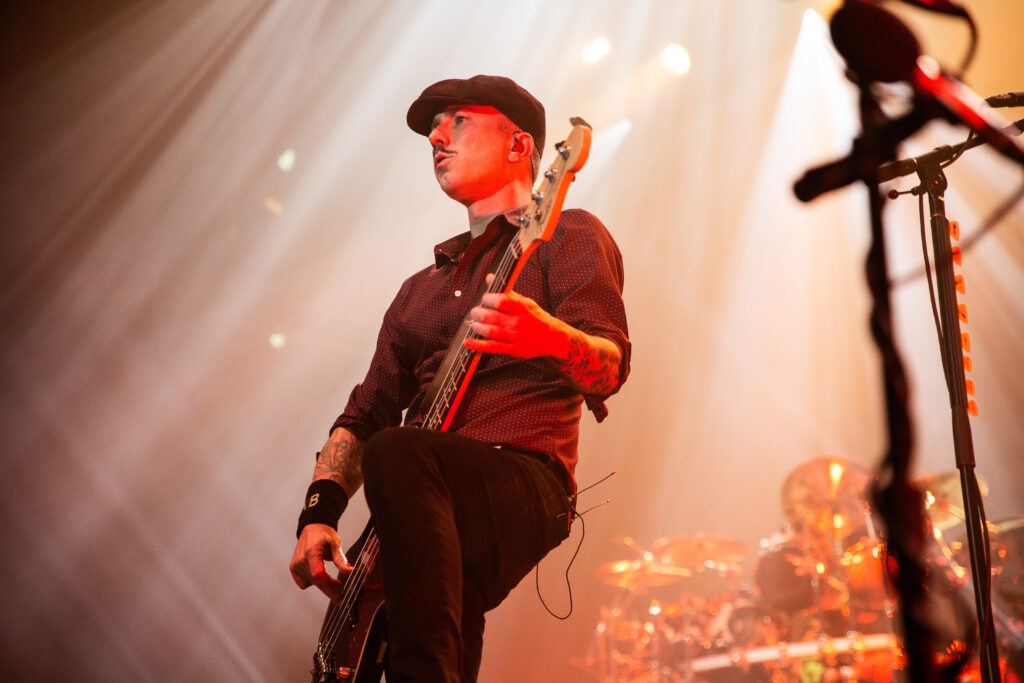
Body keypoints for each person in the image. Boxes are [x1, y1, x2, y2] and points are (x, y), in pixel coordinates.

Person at [289, 74, 630, 682]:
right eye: (432, 128)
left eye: (458, 120)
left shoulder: (567, 233)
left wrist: (548, 337)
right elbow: (366, 412)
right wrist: (319, 512)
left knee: (398, 452)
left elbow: (610, 367)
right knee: (436, 629)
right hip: (419, 494)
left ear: (519, 145)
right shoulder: (418, 290)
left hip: (522, 480)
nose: (436, 137)